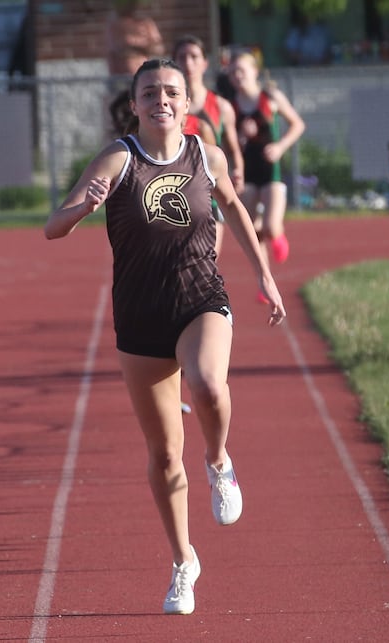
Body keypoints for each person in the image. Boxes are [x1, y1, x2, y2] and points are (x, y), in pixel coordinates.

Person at [44, 58, 286, 615]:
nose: (162, 100)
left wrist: (265, 277)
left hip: (201, 297)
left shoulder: (207, 154)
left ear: (186, 101)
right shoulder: (118, 157)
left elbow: (234, 208)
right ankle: (184, 563)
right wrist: (85, 206)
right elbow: (52, 227)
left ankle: (220, 462)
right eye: (149, 92)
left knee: (205, 384)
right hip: (140, 316)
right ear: (135, 103)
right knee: (162, 457)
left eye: (171, 92)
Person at [228, 50, 305, 287]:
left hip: (270, 170)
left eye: (241, 70)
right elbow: (227, 143)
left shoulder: (270, 98)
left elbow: (298, 124)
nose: (237, 76)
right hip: (248, 172)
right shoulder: (231, 107)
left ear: (254, 72)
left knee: (270, 226)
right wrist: (240, 138)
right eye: (233, 72)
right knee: (252, 231)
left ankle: (277, 235)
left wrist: (280, 146)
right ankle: (265, 281)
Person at [174, 34, 245, 257]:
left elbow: (232, 149)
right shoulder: (165, 109)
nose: (188, 63)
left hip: (209, 194)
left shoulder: (221, 107)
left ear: (205, 63)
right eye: (182, 57)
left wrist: (237, 171)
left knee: (206, 262)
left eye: (194, 56)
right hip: (174, 192)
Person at [105, 0, 165, 139]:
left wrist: (136, 45)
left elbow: (158, 47)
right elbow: (115, 49)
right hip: (120, 81)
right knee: (119, 117)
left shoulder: (146, 24)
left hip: (141, 79)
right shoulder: (115, 25)